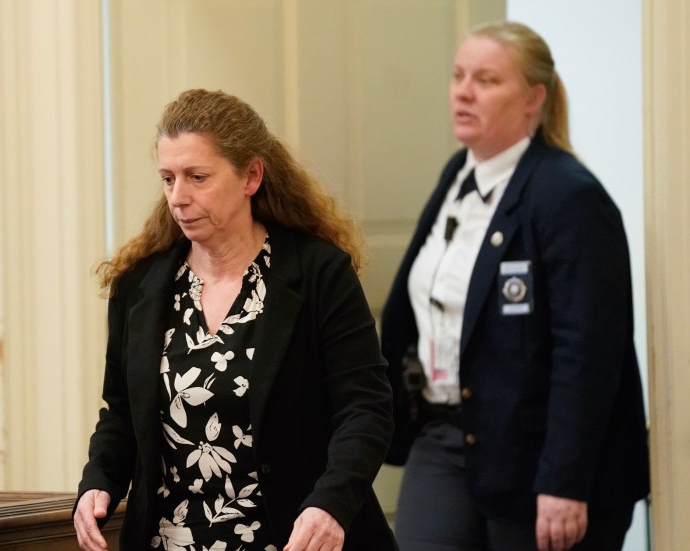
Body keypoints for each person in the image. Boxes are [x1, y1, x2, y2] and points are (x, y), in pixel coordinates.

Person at [73, 88, 397, 551]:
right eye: (168, 179)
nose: (178, 198)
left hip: (292, 538)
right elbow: (122, 413)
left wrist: (332, 504)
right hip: (173, 539)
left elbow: (365, 408)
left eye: (197, 177)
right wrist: (98, 481)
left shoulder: (318, 275)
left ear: (251, 177)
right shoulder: (140, 287)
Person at [381, 21, 650, 551]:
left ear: (534, 99)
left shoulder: (569, 197)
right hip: (445, 435)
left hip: (538, 460)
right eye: (458, 76)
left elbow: (588, 354)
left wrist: (564, 482)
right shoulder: (458, 173)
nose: (462, 91)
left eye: (486, 80)